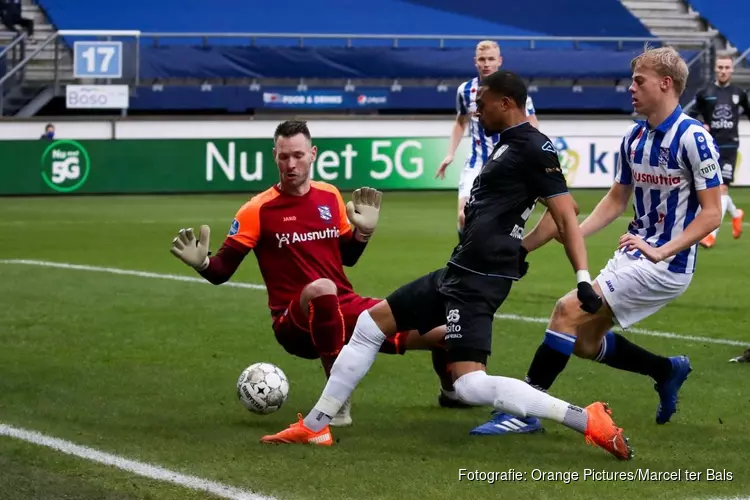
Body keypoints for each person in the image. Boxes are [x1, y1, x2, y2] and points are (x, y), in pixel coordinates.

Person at [259, 71, 633, 461]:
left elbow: (566, 212)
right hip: (460, 271)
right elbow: (555, 212)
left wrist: (582, 277)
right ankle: (317, 426)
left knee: (470, 385)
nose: (476, 108)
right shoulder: (505, 145)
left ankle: (585, 418)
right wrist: (520, 246)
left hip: (479, 280)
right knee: (371, 324)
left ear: (505, 102)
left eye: (482, 101)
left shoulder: (535, 147)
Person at [473, 46, 723, 435]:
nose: (631, 89)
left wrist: (661, 250)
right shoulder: (634, 137)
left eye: (639, 81)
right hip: (634, 253)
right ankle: (666, 369)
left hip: (666, 265)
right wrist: (576, 231)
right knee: (584, 342)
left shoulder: (694, 139)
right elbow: (616, 199)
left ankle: (526, 409)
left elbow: (712, 213)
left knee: (566, 311)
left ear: (666, 83)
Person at [170, 120, 460, 428]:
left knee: (446, 332)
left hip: (345, 308)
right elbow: (222, 271)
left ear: (313, 154)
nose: (290, 164)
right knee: (322, 288)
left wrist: (364, 233)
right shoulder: (257, 210)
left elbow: (347, 258)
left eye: (298, 155)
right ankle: (336, 401)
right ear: (275, 156)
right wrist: (203, 264)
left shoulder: (329, 196)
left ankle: (452, 394)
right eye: (283, 157)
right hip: (293, 321)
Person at [435, 40, 539, 233]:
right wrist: (450, 154)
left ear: (499, 61)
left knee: (504, 222)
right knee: (464, 216)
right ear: (476, 62)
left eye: (491, 59)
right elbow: (460, 122)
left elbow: (532, 123)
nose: (486, 63)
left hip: (508, 163)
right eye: (482, 59)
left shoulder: (514, 90)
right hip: (477, 163)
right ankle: (466, 259)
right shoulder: (465, 91)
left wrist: (530, 153)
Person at [687, 53, 748, 248]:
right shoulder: (705, 92)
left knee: (721, 189)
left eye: (726, 67)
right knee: (710, 189)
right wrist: (701, 124)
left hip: (730, 147)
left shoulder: (739, 93)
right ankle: (736, 214)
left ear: (732, 69)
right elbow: (691, 113)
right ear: (716, 69)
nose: (723, 71)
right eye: (720, 67)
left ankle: (710, 235)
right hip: (709, 147)